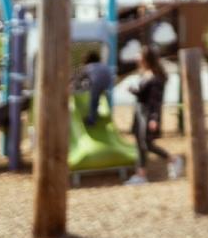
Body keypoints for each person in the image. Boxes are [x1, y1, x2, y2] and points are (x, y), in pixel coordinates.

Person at [125, 48, 183, 184]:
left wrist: (154, 118)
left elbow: (155, 101)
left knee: (146, 144)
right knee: (140, 144)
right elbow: (143, 94)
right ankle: (141, 175)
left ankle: (173, 159)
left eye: (139, 54)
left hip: (147, 114)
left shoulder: (156, 77)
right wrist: (134, 91)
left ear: (146, 58)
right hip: (140, 113)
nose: (136, 57)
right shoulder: (146, 74)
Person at [78, 50, 114, 126]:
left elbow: (81, 77)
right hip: (108, 83)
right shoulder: (103, 65)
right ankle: (96, 113)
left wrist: (79, 86)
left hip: (97, 83)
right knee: (97, 98)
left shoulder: (88, 66)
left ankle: (91, 120)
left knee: (93, 100)